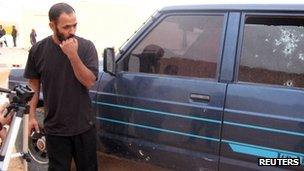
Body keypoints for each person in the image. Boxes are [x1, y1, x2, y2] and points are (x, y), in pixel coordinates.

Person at [24, 3, 98, 171]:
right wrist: (32, 116)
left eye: (74, 25)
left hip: (83, 127)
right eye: (66, 26)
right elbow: (33, 87)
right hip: (55, 130)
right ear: (52, 25)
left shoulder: (86, 47)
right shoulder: (38, 50)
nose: (72, 30)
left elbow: (89, 81)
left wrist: (73, 55)